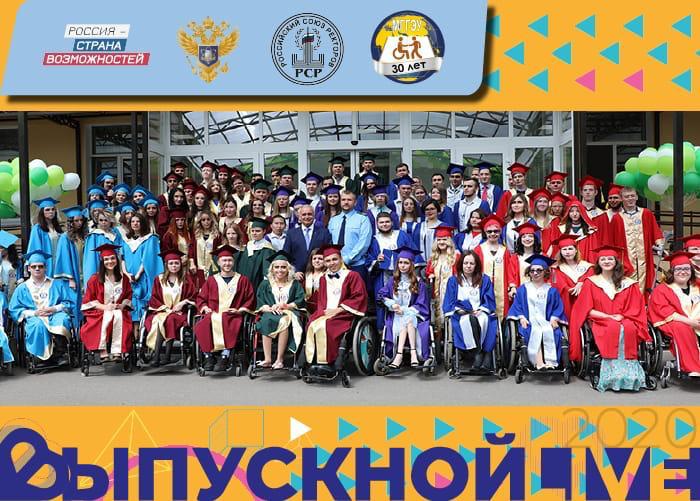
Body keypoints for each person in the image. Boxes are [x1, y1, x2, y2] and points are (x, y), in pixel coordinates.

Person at [569, 245, 649, 392]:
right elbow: (585, 309)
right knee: (613, 327)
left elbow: (635, 307)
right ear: (598, 262)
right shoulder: (591, 282)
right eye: (603, 259)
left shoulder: (628, 283)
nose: (606, 261)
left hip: (624, 318)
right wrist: (608, 316)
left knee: (629, 327)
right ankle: (611, 375)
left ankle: (632, 375)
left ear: (616, 261)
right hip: (600, 320)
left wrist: (622, 316)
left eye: (610, 259)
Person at [304, 244, 367, 367]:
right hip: (326, 312)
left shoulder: (352, 276)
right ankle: (313, 360)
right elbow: (321, 300)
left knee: (328, 326)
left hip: (345, 314)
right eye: (328, 261)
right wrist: (322, 312)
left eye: (334, 259)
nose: (331, 263)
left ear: (341, 259)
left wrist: (339, 310)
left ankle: (329, 362)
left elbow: (359, 297)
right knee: (311, 324)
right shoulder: (323, 278)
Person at [195, 245, 256, 372]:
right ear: (218, 262)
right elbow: (201, 298)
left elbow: (250, 298)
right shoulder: (211, 280)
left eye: (229, 260)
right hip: (213, 313)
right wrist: (204, 307)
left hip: (233, 314)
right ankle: (208, 356)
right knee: (202, 325)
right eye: (224, 260)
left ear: (233, 262)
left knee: (229, 322)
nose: (227, 263)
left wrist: (240, 310)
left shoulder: (242, 280)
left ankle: (225, 355)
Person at [9, 250, 73, 365]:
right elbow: (14, 309)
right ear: (29, 268)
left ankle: (60, 353)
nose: (37, 269)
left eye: (40, 266)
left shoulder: (56, 284)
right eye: (34, 266)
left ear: (45, 268)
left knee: (62, 319)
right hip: (35, 317)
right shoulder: (22, 288)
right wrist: (34, 313)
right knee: (38, 325)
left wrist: (53, 309)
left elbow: (67, 303)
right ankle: (42, 357)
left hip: (54, 314)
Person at [507, 254, 567, 370]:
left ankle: (550, 363)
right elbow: (517, 305)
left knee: (549, 330)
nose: (535, 273)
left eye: (539, 270)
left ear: (545, 272)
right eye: (532, 270)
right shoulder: (523, 289)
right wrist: (521, 317)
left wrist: (554, 318)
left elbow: (558, 307)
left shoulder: (551, 290)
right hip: (529, 322)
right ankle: (539, 363)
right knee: (535, 330)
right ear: (529, 272)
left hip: (547, 321)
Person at [80, 243, 134, 368]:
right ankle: (102, 351)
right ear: (102, 261)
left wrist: (122, 305)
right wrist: (104, 307)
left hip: (118, 311)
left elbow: (128, 295)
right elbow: (88, 300)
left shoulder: (124, 279)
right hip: (99, 311)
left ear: (117, 260)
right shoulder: (95, 279)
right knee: (104, 318)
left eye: (112, 258)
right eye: (106, 259)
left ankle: (117, 351)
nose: (110, 261)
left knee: (119, 316)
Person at [442, 250, 499, 371]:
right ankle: (480, 354)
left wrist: (482, 309)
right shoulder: (453, 280)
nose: (468, 266)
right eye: (465, 263)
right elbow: (449, 301)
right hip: (461, 314)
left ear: (476, 265)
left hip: (480, 312)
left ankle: (481, 354)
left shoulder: (484, 279)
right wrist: (459, 310)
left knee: (484, 320)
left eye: (471, 263)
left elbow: (489, 299)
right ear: (461, 264)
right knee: (468, 320)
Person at [377, 247, 431, 369]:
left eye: (406, 263)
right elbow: (382, 295)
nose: (402, 265)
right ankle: (410, 354)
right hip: (396, 315)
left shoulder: (419, 282)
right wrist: (392, 304)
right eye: (400, 262)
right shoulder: (392, 281)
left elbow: (422, 304)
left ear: (412, 265)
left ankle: (401, 355)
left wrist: (406, 310)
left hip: (413, 315)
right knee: (405, 320)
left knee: (408, 318)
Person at [649, 252, 700, 376]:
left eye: (686, 269)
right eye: (678, 269)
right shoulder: (662, 290)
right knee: (682, 327)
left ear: (691, 271)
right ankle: (693, 368)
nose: (683, 272)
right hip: (672, 321)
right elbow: (665, 311)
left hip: (696, 321)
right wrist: (691, 322)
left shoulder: (697, 286)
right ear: (672, 272)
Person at [144, 249, 197, 367]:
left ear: (180, 264)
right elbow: (154, 298)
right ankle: (157, 356)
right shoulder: (159, 279)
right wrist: (165, 309)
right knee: (159, 321)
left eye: (176, 263)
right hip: (161, 311)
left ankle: (165, 356)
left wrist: (183, 302)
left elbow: (194, 296)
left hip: (180, 314)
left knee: (170, 319)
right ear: (166, 265)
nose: (174, 266)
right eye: (171, 263)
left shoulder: (186, 279)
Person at [607, 186, 665, 294]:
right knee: (627, 284)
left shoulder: (646, 213)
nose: (630, 199)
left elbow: (655, 231)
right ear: (621, 199)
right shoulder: (617, 218)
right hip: (625, 259)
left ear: (637, 197)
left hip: (644, 257)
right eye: (627, 196)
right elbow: (612, 240)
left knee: (646, 283)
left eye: (632, 196)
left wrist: (660, 244)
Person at [255, 250, 306, 369]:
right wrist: (267, 307)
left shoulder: (294, 284)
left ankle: (279, 359)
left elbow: (300, 300)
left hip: (289, 312)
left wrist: (286, 306)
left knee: (284, 321)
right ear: (272, 269)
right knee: (266, 320)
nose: (280, 270)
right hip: (270, 312)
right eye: (276, 267)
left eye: (283, 267)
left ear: (288, 269)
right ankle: (267, 359)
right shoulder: (265, 284)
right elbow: (260, 300)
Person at [121, 212, 163, 336]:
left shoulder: (149, 239)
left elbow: (147, 259)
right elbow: (122, 258)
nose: (135, 224)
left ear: (142, 223)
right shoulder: (125, 240)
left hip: (142, 277)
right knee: (131, 305)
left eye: (138, 221)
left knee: (142, 305)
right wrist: (126, 273)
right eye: (133, 221)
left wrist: (138, 274)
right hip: (128, 278)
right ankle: (132, 337)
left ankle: (143, 335)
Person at [474, 215, 517, 320]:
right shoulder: (479, 250)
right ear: (485, 232)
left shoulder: (505, 251)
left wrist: (511, 286)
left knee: (502, 315)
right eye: (489, 231)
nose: (493, 234)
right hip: (482, 287)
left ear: (500, 232)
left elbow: (509, 271)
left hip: (502, 290)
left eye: (496, 231)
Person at [54, 205, 87, 327]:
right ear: (70, 222)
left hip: (84, 272)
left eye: (81, 220)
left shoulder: (84, 236)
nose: (79, 223)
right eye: (76, 220)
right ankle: (76, 330)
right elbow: (64, 258)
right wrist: (70, 278)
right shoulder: (65, 238)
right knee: (75, 302)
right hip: (74, 275)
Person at [328, 190, 372, 280]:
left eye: (349, 200)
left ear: (355, 202)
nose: (346, 202)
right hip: (336, 266)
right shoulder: (333, 220)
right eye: (343, 200)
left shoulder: (362, 219)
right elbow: (330, 241)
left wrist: (347, 259)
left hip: (356, 265)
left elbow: (364, 243)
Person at [550, 234, 594, 322]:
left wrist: (581, 283)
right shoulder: (555, 269)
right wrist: (568, 289)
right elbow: (556, 284)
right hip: (567, 301)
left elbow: (591, 279)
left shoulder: (588, 267)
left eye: (570, 249)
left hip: (585, 300)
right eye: (564, 249)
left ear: (576, 250)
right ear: (560, 252)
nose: (567, 252)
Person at [426, 226, 460, 338]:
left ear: (449, 241)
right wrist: (430, 274)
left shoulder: (456, 256)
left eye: (444, 239)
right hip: (437, 292)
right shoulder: (434, 258)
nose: (441, 242)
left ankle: (451, 337)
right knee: (437, 315)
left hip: (451, 291)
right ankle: (439, 340)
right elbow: (428, 271)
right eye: (439, 240)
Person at [283, 204, 332, 279]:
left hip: (318, 275)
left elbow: (328, 253)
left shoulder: (324, 233)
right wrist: (294, 271)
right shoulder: (291, 234)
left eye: (309, 214)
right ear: (299, 217)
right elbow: (286, 255)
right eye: (304, 214)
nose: (307, 217)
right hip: (298, 275)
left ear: (314, 216)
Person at [83, 209, 123, 288]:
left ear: (110, 221)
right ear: (97, 221)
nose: (103, 222)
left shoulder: (115, 234)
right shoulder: (94, 236)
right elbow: (91, 260)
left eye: (106, 220)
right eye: (101, 220)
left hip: (117, 268)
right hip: (102, 271)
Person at [27, 198, 63, 277]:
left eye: (53, 209)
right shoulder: (37, 229)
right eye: (47, 210)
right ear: (42, 212)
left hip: (58, 261)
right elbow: (35, 248)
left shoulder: (57, 228)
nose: (51, 211)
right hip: (47, 263)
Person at [236, 217, 275, 288]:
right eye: (252, 231)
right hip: (244, 282)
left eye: (257, 231)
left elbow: (266, 269)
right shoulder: (249, 245)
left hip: (258, 283)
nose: (254, 233)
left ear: (264, 231)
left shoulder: (267, 248)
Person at [191, 211, 222, 287]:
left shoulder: (217, 235)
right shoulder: (196, 234)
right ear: (200, 222)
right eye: (203, 220)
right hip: (199, 267)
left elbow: (219, 252)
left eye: (208, 219)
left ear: (212, 220)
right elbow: (191, 250)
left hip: (213, 268)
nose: (206, 222)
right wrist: (192, 263)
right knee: (200, 287)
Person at [304, 248, 326, 314]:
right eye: (314, 258)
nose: (317, 261)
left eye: (320, 259)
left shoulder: (327, 276)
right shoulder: (306, 275)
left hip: (322, 307)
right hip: (307, 307)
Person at [0, 231, 19, 299]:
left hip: (13, 289)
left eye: (1, 247)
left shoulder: (17, 262)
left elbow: (20, 277)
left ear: (8, 249)